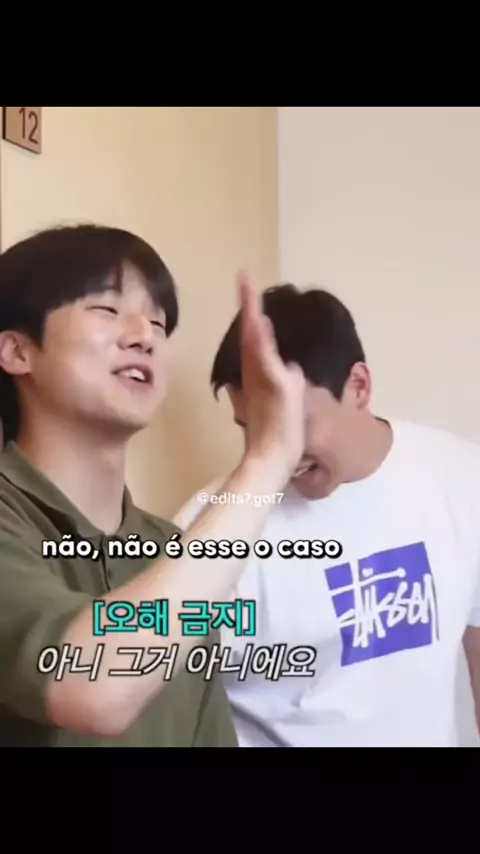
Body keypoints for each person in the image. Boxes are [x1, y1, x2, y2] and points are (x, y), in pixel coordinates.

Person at [0, 225, 306, 747]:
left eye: (159, 323)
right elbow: (93, 686)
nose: (144, 335)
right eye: (106, 309)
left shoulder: (174, 555)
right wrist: (269, 456)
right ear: (16, 351)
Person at [174, 283, 480, 748]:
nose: (274, 453)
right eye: (251, 430)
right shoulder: (209, 527)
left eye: (291, 424)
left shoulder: (461, 478)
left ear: (359, 386)